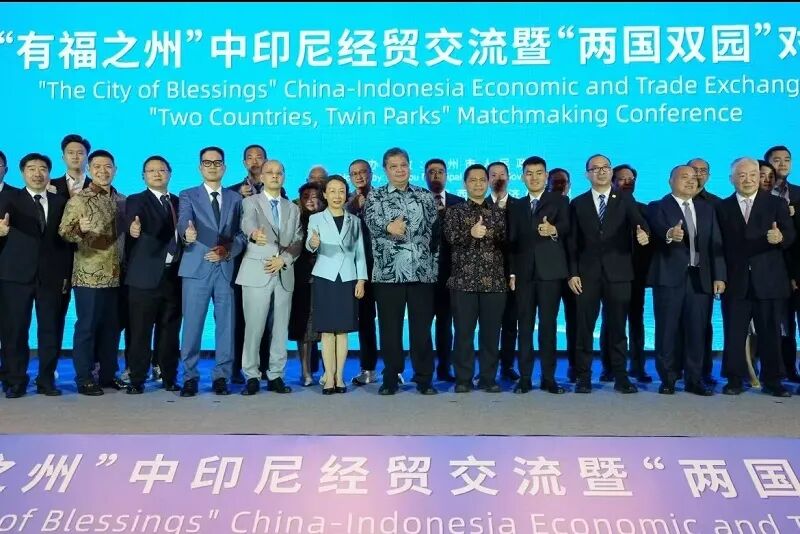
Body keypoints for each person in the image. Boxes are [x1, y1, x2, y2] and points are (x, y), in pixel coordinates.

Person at [567, 154, 650, 394]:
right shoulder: (578, 203)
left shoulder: (624, 199)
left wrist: (643, 234)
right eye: (595, 168)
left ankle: (621, 376)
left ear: (611, 171)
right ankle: (584, 376)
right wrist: (572, 273)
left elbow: (640, 224)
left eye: (605, 167)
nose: (601, 171)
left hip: (619, 273)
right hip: (587, 275)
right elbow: (571, 242)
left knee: (617, 327)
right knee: (584, 328)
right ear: (587, 174)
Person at [716, 157, 795, 397]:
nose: (748, 179)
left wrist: (780, 238)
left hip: (769, 280)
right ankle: (734, 379)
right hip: (735, 280)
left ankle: (773, 380)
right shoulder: (722, 207)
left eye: (752, 174)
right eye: (741, 175)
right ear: (731, 179)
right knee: (734, 333)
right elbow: (717, 246)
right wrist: (719, 277)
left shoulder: (776, 204)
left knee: (771, 333)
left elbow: (790, 235)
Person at [646, 165, 726, 396]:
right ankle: (668, 378)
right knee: (667, 329)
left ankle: (694, 379)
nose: (691, 181)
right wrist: (670, 234)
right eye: (684, 177)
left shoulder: (707, 209)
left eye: (694, 178)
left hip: (700, 278)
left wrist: (719, 276)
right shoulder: (657, 206)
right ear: (670, 181)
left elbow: (715, 244)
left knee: (697, 330)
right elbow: (657, 230)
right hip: (669, 277)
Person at [364, 147, 438, 395]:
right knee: (390, 329)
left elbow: (434, 233)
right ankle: (391, 378)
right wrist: (388, 227)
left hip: (422, 274)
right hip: (388, 274)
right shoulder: (376, 196)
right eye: (393, 166)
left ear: (409, 166)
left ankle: (424, 378)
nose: (399, 170)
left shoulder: (425, 196)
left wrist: (433, 267)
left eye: (403, 165)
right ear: (385, 170)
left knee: (422, 330)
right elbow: (371, 223)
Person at [0, 153, 72, 397]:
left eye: (43, 168)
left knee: (50, 330)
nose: (37, 173)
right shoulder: (8, 199)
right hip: (15, 276)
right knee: (15, 331)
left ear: (49, 173)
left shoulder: (61, 201)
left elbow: (66, 244)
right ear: (22, 173)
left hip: (52, 277)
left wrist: (66, 275)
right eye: (31, 168)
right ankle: (15, 381)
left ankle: (46, 381)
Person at [58, 149, 127, 396]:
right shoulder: (79, 200)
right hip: (89, 275)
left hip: (118, 276)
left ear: (115, 170)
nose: (102, 171)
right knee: (86, 328)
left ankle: (108, 375)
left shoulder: (123, 200)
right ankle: (84, 377)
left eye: (108, 166)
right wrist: (80, 228)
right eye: (97, 166)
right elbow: (64, 232)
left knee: (112, 329)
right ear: (89, 169)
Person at [177, 146, 245, 397]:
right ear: (200, 167)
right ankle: (190, 377)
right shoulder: (188, 195)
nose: (213, 167)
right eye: (207, 163)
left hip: (225, 268)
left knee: (226, 326)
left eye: (217, 163)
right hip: (196, 267)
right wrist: (187, 233)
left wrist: (228, 251)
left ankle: (222, 377)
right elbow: (184, 221)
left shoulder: (236, 198)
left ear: (224, 167)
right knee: (192, 326)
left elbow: (241, 234)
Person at [237, 159, 303, 396]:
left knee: (280, 329)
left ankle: (276, 375)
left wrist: (283, 260)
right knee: (254, 328)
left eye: (279, 172)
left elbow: (298, 239)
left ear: (283, 177)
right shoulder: (250, 202)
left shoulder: (293, 208)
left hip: (283, 272)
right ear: (262, 177)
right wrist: (254, 234)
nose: (275, 176)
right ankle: (251, 375)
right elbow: (247, 224)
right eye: (270, 172)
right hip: (258, 271)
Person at [508, 156, 569, 394]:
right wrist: (512, 272)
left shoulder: (560, 201)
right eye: (529, 173)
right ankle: (524, 378)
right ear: (523, 177)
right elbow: (511, 242)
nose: (534, 178)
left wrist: (554, 229)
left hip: (550, 273)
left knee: (548, 327)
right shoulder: (516, 205)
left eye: (539, 173)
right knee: (524, 327)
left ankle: (548, 378)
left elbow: (569, 228)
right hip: (524, 275)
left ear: (546, 176)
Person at [444, 164, 507, 392]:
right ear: (464, 184)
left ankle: (488, 378)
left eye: (482, 180)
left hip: (494, 282)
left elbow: (507, 240)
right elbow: (450, 237)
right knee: (463, 334)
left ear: (488, 182)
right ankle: (463, 379)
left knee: (491, 335)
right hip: (463, 282)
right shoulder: (455, 211)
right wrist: (470, 233)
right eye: (473, 180)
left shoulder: (500, 211)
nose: (478, 184)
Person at [123, 156, 182, 394]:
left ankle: (169, 376)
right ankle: (137, 379)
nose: (157, 174)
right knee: (140, 331)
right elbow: (133, 221)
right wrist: (133, 228)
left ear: (170, 173)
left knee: (170, 331)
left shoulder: (179, 201)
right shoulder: (136, 200)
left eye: (162, 170)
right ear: (143, 176)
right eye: (151, 170)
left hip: (174, 276)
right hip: (144, 277)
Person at [307, 175, 368, 394]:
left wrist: (361, 279)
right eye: (332, 191)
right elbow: (310, 244)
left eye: (341, 191)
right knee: (327, 332)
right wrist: (313, 243)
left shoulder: (354, 221)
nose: (337, 195)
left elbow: (360, 252)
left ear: (346, 194)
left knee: (342, 331)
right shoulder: (316, 219)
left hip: (348, 278)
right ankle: (328, 378)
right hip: (325, 277)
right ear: (324, 194)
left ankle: (339, 377)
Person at [229, 144, 270, 385]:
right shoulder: (233, 191)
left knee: (264, 316)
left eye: (259, 157)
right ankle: (236, 366)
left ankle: (263, 365)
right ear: (244, 163)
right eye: (250, 158)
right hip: (239, 262)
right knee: (239, 318)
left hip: (265, 262)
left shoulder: (276, 190)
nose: (255, 161)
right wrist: (239, 200)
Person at [425, 158, 464, 382]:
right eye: (431, 172)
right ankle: (424, 369)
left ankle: (444, 367)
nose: (436, 176)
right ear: (425, 176)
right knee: (422, 325)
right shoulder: (418, 200)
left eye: (440, 172)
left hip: (450, 274)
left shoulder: (459, 202)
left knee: (445, 324)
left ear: (447, 175)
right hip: (423, 274)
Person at [347, 159, 380, 386]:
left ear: (371, 173)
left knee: (390, 320)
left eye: (363, 172)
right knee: (366, 319)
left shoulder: (382, 197)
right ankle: (368, 368)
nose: (359, 176)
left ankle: (394, 369)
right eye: (354, 173)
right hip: (359, 269)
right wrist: (352, 208)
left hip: (385, 267)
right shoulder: (346, 201)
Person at [486, 161, 519, 380]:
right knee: (488, 324)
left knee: (510, 323)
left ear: (509, 178)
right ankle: (487, 368)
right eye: (493, 175)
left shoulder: (520, 206)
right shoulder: (479, 205)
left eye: (502, 175)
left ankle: (507, 366)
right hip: (485, 273)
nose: (498, 179)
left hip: (512, 273)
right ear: (488, 180)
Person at [288, 183, 323, 386]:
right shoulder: (295, 221)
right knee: (303, 328)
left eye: (315, 196)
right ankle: (306, 372)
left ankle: (330, 371)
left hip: (326, 280)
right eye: (306, 196)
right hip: (301, 279)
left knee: (327, 327)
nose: (310, 200)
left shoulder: (329, 218)